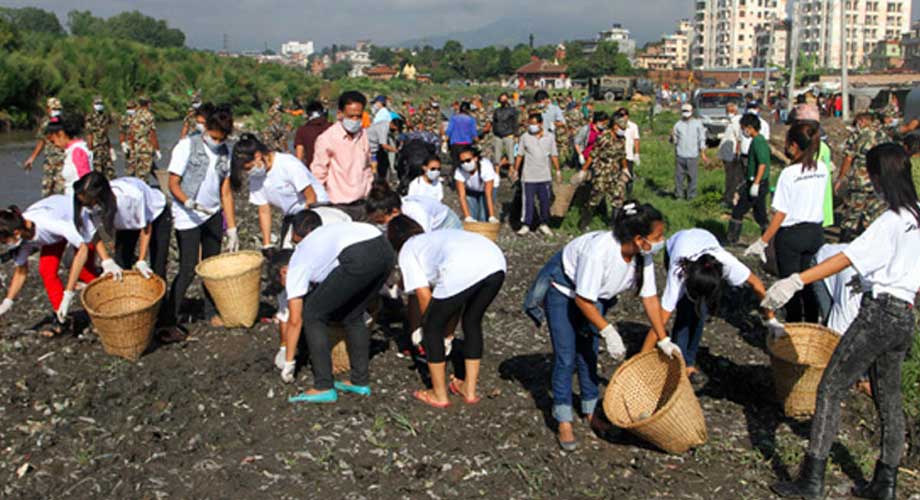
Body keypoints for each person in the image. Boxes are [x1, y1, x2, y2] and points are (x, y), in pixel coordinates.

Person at [765, 143, 920, 500]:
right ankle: (886, 483)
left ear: (882, 177)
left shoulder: (891, 219)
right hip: (904, 317)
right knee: (890, 400)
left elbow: (846, 257)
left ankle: (812, 481)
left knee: (830, 388)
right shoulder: (917, 214)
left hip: (879, 315)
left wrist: (797, 280)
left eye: (872, 175)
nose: (872, 182)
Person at [523, 202, 673, 451]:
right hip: (564, 292)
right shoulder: (599, 253)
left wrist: (662, 337)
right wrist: (608, 330)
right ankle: (563, 418)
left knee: (589, 352)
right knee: (566, 357)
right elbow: (582, 299)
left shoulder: (641, 256)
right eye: (657, 236)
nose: (661, 241)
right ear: (638, 238)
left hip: (594, 297)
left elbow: (650, 298)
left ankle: (591, 411)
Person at [387, 215, 506, 408]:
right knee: (472, 321)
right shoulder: (434, 239)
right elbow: (455, 299)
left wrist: (432, 329)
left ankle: (438, 394)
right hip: (496, 261)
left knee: (432, 327)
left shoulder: (408, 249)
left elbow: (423, 294)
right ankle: (469, 389)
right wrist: (448, 335)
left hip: (463, 266)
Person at [282, 213, 395, 403]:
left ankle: (323, 386)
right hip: (385, 250)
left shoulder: (299, 257)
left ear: (294, 234)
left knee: (312, 314)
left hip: (359, 255)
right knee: (353, 314)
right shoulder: (327, 234)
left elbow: (295, 320)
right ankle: (359, 381)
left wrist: (289, 361)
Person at [642, 228, 778, 381]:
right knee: (685, 313)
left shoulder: (726, 263)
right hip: (676, 245)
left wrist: (771, 320)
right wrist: (643, 357)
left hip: (703, 251)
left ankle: (689, 362)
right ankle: (679, 364)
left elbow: (758, 285)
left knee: (701, 312)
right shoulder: (678, 273)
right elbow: (659, 320)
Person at [160, 105, 239, 341]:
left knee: (211, 265)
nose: (217, 141)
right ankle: (169, 317)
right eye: (214, 136)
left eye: (221, 138)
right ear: (207, 128)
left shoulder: (225, 152)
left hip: (212, 213)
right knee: (188, 267)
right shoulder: (187, 146)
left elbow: (225, 191)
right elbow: (173, 182)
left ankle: (210, 310)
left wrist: (232, 226)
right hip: (188, 215)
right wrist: (188, 202)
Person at [58, 173, 171, 322]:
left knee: (157, 267)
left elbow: (146, 227)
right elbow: (96, 235)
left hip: (155, 214)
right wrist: (107, 261)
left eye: (90, 203)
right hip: (124, 221)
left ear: (101, 196)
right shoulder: (89, 205)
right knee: (121, 264)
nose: (88, 207)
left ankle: (161, 317)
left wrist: (142, 260)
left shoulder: (131, 196)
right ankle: (128, 310)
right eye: (84, 204)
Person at [745, 122, 829, 323]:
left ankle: (792, 328)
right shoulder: (823, 169)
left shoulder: (789, 174)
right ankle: (810, 330)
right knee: (809, 284)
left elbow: (781, 213)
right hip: (816, 233)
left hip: (791, 236)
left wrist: (763, 241)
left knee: (788, 287)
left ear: (793, 145)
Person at [0, 197, 99, 336]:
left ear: (16, 233)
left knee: (84, 272)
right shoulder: (24, 236)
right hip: (54, 237)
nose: (5, 245)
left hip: (76, 220)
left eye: (4, 241)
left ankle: (109, 301)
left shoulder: (48, 223)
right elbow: (21, 272)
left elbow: (83, 249)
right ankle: (62, 318)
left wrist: (68, 293)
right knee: (47, 270)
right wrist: (7, 302)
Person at [232, 133, 328, 250]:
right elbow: (264, 210)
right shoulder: (256, 177)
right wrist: (267, 244)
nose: (248, 172)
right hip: (292, 214)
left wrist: (302, 229)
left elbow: (311, 197)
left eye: (248, 168)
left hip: (315, 210)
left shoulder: (287, 164)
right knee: (285, 251)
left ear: (258, 156)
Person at [311, 91, 373, 213]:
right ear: (340, 114)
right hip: (338, 205)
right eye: (351, 116)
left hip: (363, 203)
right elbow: (318, 173)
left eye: (358, 116)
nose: (355, 120)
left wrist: (369, 189)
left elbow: (367, 166)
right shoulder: (327, 138)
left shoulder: (363, 135)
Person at [836, 113, 889, 242]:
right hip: (878, 181)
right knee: (872, 215)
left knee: (852, 214)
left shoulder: (857, 136)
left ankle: (843, 243)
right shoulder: (882, 135)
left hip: (860, 181)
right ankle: (869, 243)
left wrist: (840, 177)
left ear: (862, 121)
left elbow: (848, 157)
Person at [512, 113, 560, 236]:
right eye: (530, 124)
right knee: (528, 201)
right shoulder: (525, 137)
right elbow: (520, 155)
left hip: (544, 175)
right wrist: (515, 170)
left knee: (545, 201)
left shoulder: (549, 137)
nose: (532, 126)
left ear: (540, 124)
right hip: (528, 175)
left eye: (534, 124)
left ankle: (544, 224)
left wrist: (558, 170)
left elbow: (553, 154)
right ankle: (526, 224)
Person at [727, 113, 772, 244]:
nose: (743, 131)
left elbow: (762, 164)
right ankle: (769, 240)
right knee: (760, 215)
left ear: (750, 127)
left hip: (758, 183)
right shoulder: (757, 141)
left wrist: (756, 183)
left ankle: (732, 239)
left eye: (744, 128)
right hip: (756, 182)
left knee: (738, 210)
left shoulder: (759, 142)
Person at [578, 115, 630, 228]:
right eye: (622, 128)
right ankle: (584, 223)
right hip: (602, 172)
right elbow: (593, 154)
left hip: (616, 173)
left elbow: (622, 155)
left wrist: (625, 169)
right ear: (615, 126)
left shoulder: (621, 139)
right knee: (595, 198)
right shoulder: (603, 137)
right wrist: (583, 170)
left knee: (618, 198)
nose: (623, 131)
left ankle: (614, 225)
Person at [365, 182, 462, 232]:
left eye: (381, 222)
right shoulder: (397, 210)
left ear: (394, 212)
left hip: (446, 223)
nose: (380, 225)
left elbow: (425, 239)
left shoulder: (415, 211)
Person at [23, 98, 67, 197]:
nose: (56, 112)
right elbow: (42, 141)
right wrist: (32, 158)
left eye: (58, 109)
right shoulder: (45, 123)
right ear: (47, 109)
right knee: (47, 191)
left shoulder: (65, 122)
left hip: (63, 161)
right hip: (49, 162)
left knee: (61, 190)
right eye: (53, 109)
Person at [44, 113, 93, 196]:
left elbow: (85, 180)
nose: (54, 144)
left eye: (53, 140)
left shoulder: (77, 151)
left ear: (61, 134)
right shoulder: (70, 151)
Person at [670, 104, 708, 200]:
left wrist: (702, 153)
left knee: (692, 177)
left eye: (687, 111)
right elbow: (674, 140)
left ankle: (691, 196)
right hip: (680, 154)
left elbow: (701, 139)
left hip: (693, 154)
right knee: (679, 177)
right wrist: (671, 137)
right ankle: (679, 195)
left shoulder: (697, 124)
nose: (686, 113)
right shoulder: (677, 125)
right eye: (684, 111)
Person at [454, 146, 499, 223]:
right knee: (471, 217)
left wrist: (492, 216)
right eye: (462, 162)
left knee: (483, 216)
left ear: (475, 158)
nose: (465, 164)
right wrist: (467, 217)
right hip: (471, 190)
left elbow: (488, 195)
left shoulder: (486, 167)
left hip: (487, 189)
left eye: (468, 160)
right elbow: (462, 196)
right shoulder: (459, 171)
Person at [127, 95, 160, 181]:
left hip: (135, 148)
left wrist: (130, 148)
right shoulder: (148, 115)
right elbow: (152, 133)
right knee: (144, 176)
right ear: (148, 104)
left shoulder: (134, 115)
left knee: (137, 173)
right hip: (145, 148)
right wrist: (157, 149)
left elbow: (130, 133)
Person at [85, 96, 116, 179]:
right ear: (93, 105)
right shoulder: (90, 117)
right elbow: (89, 133)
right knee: (97, 171)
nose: (99, 105)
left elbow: (106, 133)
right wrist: (90, 148)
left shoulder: (105, 116)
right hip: (96, 148)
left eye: (101, 103)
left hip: (105, 147)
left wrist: (111, 148)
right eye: (97, 103)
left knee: (110, 171)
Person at [719, 102, 743, 206]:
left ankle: (730, 199)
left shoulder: (737, 122)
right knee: (729, 177)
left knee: (733, 178)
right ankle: (728, 197)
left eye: (731, 111)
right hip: (728, 155)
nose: (729, 113)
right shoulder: (731, 122)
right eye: (728, 111)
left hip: (733, 155)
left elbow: (739, 139)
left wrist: (737, 153)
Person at [294, 100, 332, 166]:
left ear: (308, 115)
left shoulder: (302, 130)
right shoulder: (333, 127)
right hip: (332, 171)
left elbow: (299, 158)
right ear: (322, 112)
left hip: (311, 172)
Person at [445, 102, 478, 174]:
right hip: (466, 144)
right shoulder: (471, 119)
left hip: (455, 144)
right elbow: (474, 133)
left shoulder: (453, 118)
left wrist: (445, 141)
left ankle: (455, 181)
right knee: (465, 164)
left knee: (455, 163)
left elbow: (449, 130)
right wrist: (477, 142)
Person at [367, 117, 403, 183]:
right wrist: (396, 150)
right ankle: (379, 181)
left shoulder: (385, 123)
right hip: (370, 146)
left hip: (374, 145)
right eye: (395, 129)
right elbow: (384, 145)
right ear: (392, 124)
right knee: (378, 165)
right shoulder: (384, 129)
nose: (395, 131)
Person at [491, 93, 518, 172]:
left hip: (508, 134)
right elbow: (494, 122)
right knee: (497, 155)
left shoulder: (512, 110)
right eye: (501, 99)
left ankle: (511, 171)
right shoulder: (496, 111)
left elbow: (515, 123)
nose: (503, 101)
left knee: (510, 155)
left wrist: (516, 135)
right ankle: (497, 172)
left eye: (504, 99)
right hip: (498, 135)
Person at [618, 108, 641, 195]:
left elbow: (636, 140)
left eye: (624, 115)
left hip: (628, 155)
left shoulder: (633, 126)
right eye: (621, 115)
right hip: (618, 155)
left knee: (629, 175)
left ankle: (629, 194)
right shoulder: (616, 125)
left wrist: (637, 153)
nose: (623, 117)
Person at [119, 100, 136, 173]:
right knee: (129, 167)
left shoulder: (140, 117)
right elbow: (121, 132)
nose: (130, 110)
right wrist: (123, 143)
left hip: (140, 144)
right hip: (129, 145)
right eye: (128, 108)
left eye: (131, 108)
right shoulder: (124, 119)